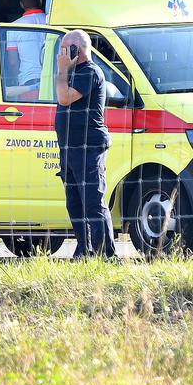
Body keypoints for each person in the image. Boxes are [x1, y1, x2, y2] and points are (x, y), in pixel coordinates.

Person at [54, 29, 115, 258]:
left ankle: (105, 253)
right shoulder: (70, 73)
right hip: (69, 148)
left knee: (92, 200)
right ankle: (84, 249)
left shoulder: (89, 71)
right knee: (74, 202)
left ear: (74, 50)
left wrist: (61, 70)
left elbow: (64, 98)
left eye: (64, 49)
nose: (60, 55)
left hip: (88, 147)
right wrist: (63, 71)